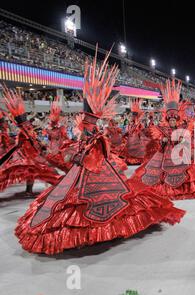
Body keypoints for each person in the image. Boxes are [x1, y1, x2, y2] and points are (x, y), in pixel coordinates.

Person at [15, 53, 185, 255]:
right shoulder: (92, 136)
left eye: (88, 126)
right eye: (85, 126)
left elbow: (97, 157)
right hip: (85, 173)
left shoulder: (96, 137)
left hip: (96, 172)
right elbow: (91, 155)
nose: (86, 128)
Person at [0, 85, 61, 195]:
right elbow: (30, 141)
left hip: (30, 155)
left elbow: (31, 140)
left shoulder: (25, 130)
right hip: (28, 155)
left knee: (34, 171)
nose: (28, 124)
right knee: (37, 171)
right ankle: (57, 185)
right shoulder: (25, 130)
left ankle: (55, 185)